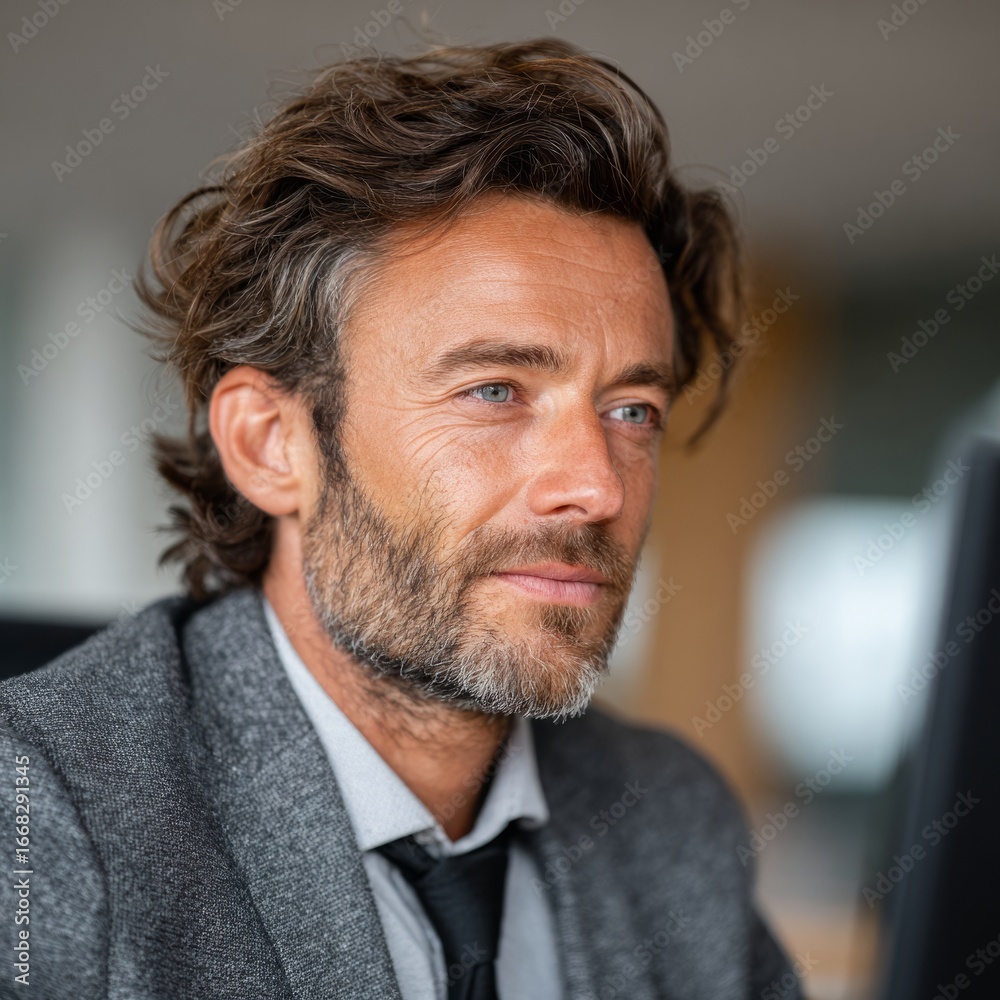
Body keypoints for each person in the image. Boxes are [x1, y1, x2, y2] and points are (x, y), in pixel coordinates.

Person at [0, 38, 801, 1000]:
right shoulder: (38, 815)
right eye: (495, 391)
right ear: (272, 444)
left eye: (631, 411)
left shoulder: (671, 818)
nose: (597, 488)